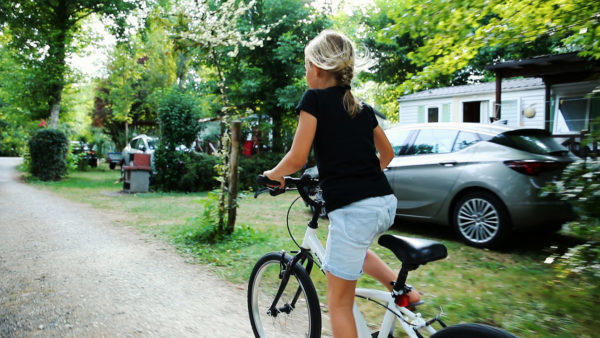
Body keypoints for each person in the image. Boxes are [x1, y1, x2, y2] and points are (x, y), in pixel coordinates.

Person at [263, 30, 420, 337]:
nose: (305, 71)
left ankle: (401, 293)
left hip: (355, 209)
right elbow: (386, 154)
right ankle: (405, 291)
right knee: (351, 248)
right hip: (384, 203)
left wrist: (274, 174)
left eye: (306, 65)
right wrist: (358, 173)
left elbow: (297, 158)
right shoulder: (360, 107)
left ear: (318, 68)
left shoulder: (314, 99)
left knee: (338, 303)